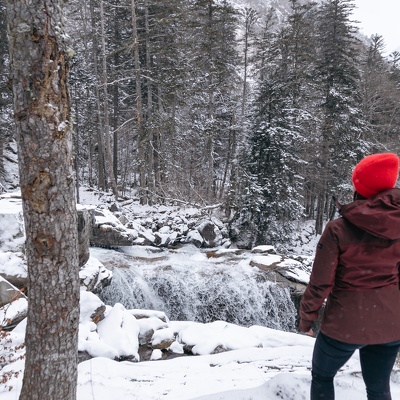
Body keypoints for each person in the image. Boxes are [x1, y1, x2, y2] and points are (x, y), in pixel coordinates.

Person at [299, 153, 400, 400]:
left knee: (322, 377)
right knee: (379, 388)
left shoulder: (338, 229)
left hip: (344, 326)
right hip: (390, 325)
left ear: (360, 187)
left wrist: (306, 318)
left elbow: (321, 281)